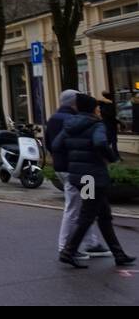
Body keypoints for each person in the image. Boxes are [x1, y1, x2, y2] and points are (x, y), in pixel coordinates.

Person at [55, 93, 136, 268]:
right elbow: (100, 143)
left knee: (103, 215)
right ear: (93, 109)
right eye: (98, 108)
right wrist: (111, 158)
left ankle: (118, 254)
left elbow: (56, 145)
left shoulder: (69, 124)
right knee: (87, 215)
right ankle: (68, 251)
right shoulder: (96, 125)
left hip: (79, 176)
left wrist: (72, 157)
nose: (99, 110)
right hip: (92, 177)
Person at [45, 89, 106, 257]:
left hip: (64, 168)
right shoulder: (77, 120)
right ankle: (66, 246)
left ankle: (90, 242)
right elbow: (94, 144)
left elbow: (50, 144)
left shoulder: (53, 119)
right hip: (82, 172)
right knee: (76, 207)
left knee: (84, 207)